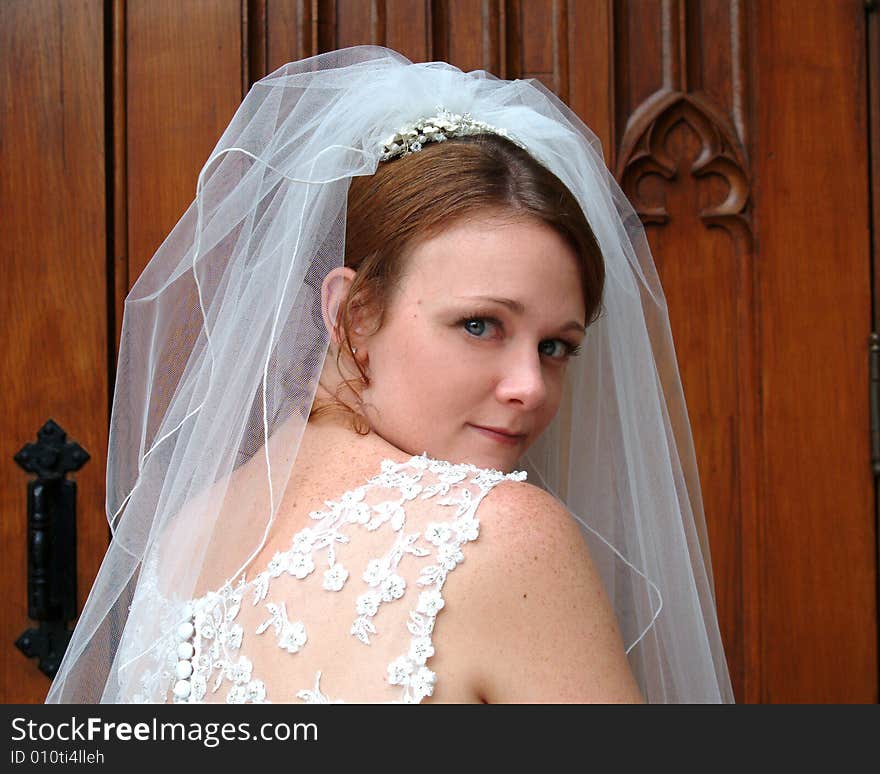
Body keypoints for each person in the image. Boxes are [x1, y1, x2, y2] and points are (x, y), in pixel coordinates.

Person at [46, 46, 733, 703]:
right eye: (479, 325)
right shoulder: (499, 535)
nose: (529, 386)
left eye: (556, 346)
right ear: (352, 312)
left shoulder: (187, 534)